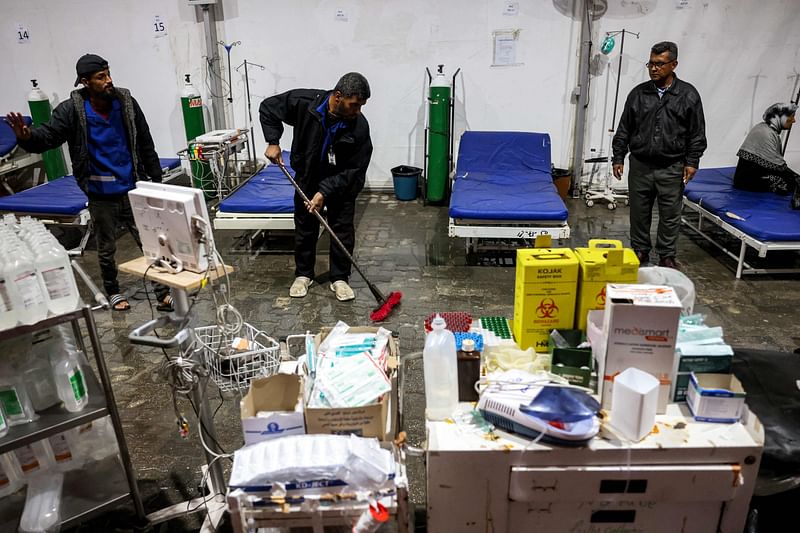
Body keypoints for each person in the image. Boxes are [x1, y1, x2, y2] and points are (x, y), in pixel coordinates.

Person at [5, 53, 171, 311]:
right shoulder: (72, 110)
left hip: (133, 186)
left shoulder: (125, 102)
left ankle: (163, 292)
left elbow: (145, 140)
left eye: (108, 73)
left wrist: (156, 178)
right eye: (100, 77)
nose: (108, 80)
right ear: (85, 82)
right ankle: (114, 291)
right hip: (100, 193)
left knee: (151, 241)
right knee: (106, 247)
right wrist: (26, 138)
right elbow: (48, 136)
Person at [259, 72, 373, 301]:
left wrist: (325, 191)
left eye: (362, 105)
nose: (358, 110)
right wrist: (273, 141)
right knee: (305, 227)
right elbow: (268, 108)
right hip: (308, 176)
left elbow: (355, 168)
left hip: (341, 182)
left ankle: (340, 278)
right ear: (338, 96)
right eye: (354, 104)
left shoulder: (358, 126)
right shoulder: (304, 104)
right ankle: (303, 274)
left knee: (341, 229)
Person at [612, 41, 707, 269]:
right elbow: (625, 128)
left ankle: (666, 255)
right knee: (639, 212)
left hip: (671, 166)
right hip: (641, 165)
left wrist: (692, 162)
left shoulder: (688, 95)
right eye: (651, 64)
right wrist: (618, 157)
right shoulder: (638, 94)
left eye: (660, 64)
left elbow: (697, 132)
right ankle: (641, 250)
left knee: (670, 214)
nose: (654, 69)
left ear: (673, 64)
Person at [733, 102, 800, 209]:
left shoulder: (767, 129)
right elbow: (779, 167)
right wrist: (797, 178)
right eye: (791, 117)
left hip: (753, 176)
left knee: (792, 182)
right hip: (746, 181)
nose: (794, 120)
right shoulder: (766, 133)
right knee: (792, 182)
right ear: (780, 117)